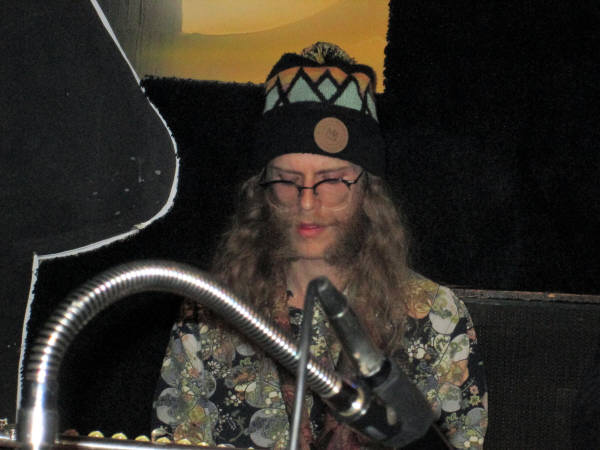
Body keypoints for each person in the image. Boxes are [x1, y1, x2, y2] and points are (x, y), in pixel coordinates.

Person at [151, 42, 488, 449]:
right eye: (287, 181)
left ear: (368, 190)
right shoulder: (212, 313)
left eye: (331, 181)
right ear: (261, 191)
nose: (307, 203)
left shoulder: (435, 318)